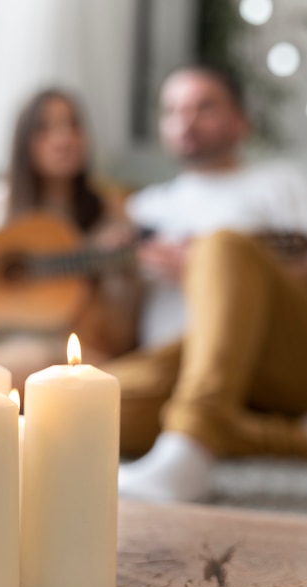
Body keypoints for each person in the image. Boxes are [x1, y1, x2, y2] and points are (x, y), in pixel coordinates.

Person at [106, 65, 307, 503]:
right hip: (179, 367)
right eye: (173, 110)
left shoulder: (279, 184)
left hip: (281, 360)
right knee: (84, 404)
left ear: (241, 120)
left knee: (221, 246)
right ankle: (235, 428)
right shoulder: (145, 208)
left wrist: (201, 269)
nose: (186, 120)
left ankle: (192, 437)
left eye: (204, 106)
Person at [0, 88, 142, 395]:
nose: (63, 139)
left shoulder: (111, 215)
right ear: (24, 142)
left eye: (72, 125)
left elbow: (123, 335)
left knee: (36, 364)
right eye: (45, 128)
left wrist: (121, 278)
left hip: (73, 353)